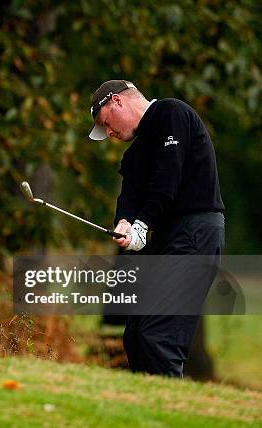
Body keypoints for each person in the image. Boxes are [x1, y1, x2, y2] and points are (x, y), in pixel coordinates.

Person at [88, 80, 225, 377]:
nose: (109, 133)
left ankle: (170, 409)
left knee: (159, 335)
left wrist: (142, 225)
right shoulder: (135, 154)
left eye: (106, 123)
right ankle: (146, 410)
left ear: (117, 102)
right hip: (170, 239)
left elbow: (168, 178)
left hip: (196, 233)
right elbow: (130, 196)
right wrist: (124, 223)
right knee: (136, 335)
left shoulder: (170, 113)